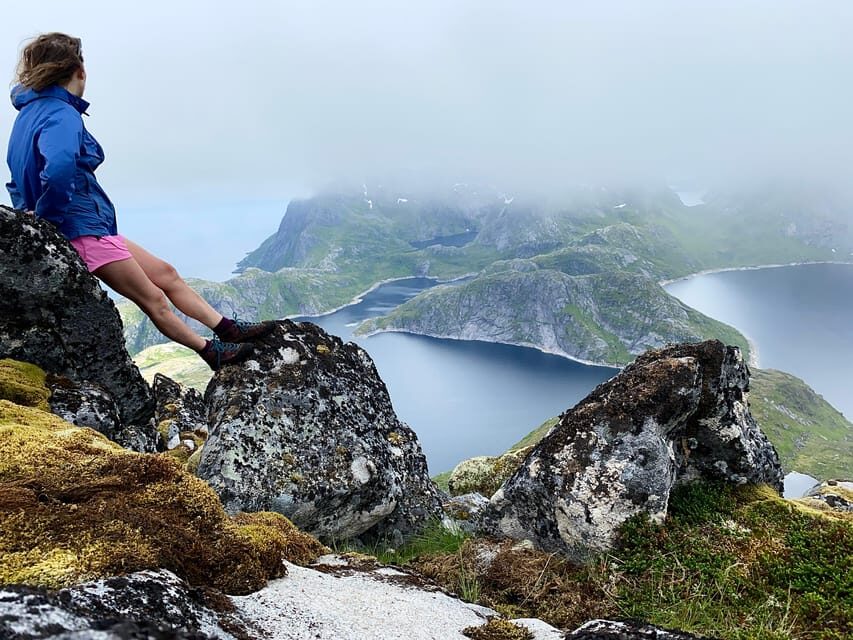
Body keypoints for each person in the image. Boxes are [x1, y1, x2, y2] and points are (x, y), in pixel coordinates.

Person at [5, 32, 273, 370]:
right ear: (79, 71)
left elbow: (16, 178)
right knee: (154, 299)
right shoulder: (61, 114)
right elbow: (58, 171)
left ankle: (227, 328)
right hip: (80, 230)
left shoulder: (27, 115)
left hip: (91, 226)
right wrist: (47, 222)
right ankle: (211, 351)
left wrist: (32, 219)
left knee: (166, 273)